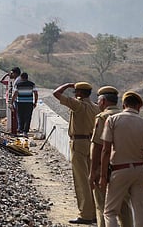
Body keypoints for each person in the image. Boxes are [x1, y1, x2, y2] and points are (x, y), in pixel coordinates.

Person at [100, 91, 143, 227]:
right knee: (140, 212)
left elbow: (106, 150)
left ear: (124, 104)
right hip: (140, 170)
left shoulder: (113, 120)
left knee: (110, 212)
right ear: (139, 106)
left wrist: (103, 175)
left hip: (119, 170)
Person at [53, 81, 99, 225]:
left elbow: (56, 94)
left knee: (81, 180)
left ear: (79, 93)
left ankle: (85, 214)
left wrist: (66, 85)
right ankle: (94, 213)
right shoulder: (96, 107)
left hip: (78, 143)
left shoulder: (78, 105)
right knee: (92, 179)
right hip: (91, 143)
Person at [89, 86, 133, 227]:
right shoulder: (126, 117)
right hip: (124, 167)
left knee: (103, 206)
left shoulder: (102, 117)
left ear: (103, 102)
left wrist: (94, 172)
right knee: (124, 207)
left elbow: (98, 146)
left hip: (105, 168)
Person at [10, 72, 38, 138]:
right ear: (27, 77)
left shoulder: (18, 85)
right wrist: (35, 102)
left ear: (21, 78)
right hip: (29, 103)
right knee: (28, 117)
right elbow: (36, 93)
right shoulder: (32, 84)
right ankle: (25, 132)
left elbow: (15, 94)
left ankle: (21, 130)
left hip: (20, 103)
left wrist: (12, 102)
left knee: (20, 116)